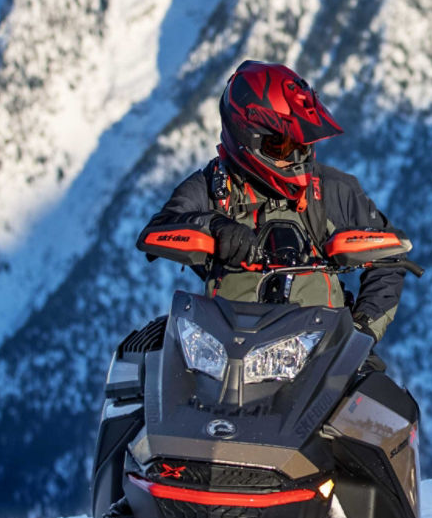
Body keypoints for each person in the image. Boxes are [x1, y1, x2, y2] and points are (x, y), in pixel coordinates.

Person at [138, 59, 412, 387]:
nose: (298, 157)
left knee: (388, 414)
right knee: (141, 367)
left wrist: (360, 333)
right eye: (283, 146)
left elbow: (390, 255)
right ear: (246, 137)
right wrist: (214, 228)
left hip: (324, 357)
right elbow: (159, 230)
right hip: (224, 359)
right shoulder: (211, 186)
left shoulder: (331, 189)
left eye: (303, 144)